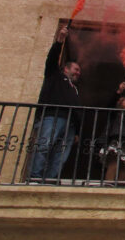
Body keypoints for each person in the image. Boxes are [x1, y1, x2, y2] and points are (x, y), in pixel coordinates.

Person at [29, 26, 81, 181]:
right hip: (52, 117)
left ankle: (50, 179)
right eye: (76, 69)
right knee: (44, 147)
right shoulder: (55, 76)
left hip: (70, 124)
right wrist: (59, 41)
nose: (78, 72)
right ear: (65, 69)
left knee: (61, 154)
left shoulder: (75, 89)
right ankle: (35, 177)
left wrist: (77, 131)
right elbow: (51, 60)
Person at [97, 81, 125, 184]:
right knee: (114, 165)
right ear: (120, 103)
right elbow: (110, 104)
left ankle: (118, 192)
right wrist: (119, 91)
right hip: (116, 142)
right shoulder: (115, 113)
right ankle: (108, 189)